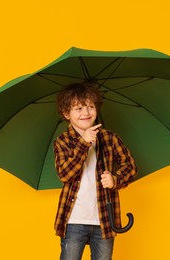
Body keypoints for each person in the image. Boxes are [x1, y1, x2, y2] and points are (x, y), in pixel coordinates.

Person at [53, 82, 137, 260]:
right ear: (66, 113)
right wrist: (84, 143)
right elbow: (65, 174)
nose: (86, 113)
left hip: (104, 221)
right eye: (79, 108)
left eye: (90, 106)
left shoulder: (110, 138)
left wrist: (116, 179)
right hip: (74, 220)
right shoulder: (63, 141)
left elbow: (130, 167)